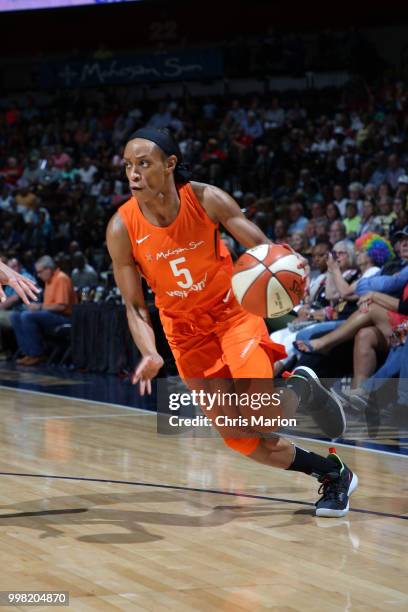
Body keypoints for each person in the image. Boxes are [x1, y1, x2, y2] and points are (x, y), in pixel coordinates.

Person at [106, 127, 357, 518]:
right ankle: (333, 473)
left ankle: (301, 389)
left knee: (259, 414)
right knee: (241, 439)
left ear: (170, 164)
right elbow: (136, 308)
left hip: (232, 315)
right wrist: (150, 352)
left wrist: (287, 267)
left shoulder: (206, 199)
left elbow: (260, 248)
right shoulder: (121, 228)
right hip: (185, 336)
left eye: (143, 164)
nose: (133, 174)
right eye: (127, 166)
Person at [11, 255, 77, 366]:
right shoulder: (48, 281)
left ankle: (37, 354)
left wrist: (39, 307)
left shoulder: (61, 278)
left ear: (48, 269)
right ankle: (27, 353)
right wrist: (37, 307)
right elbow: (48, 305)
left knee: (27, 316)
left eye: (40, 272)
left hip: (65, 318)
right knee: (15, 316)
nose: (38, 275)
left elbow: (61, 307)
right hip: (52, 315)